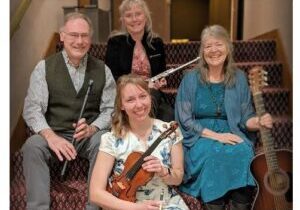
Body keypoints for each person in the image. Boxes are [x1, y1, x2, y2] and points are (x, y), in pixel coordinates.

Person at [21, 12, 116, 210]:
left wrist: (93, 128)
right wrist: (50, 136)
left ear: (90, 39)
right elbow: (32, 109)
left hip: (87, 136)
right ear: (62, 36)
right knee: (32, 146)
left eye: (84, 36)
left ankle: (94, 205)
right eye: (73, 35)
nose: (79, 41)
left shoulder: (103, 70)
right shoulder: (44, 68)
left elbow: (110, 110)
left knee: (105, 140)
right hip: (53, 132)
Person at [175, 25, 273, 210]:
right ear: (202, 51)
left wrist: (258, 122)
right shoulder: (190, 79)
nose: (213, 50)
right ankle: (215, 205)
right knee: (213, 154)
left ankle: (240, 204)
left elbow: (246, 118)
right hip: (199, 135)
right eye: (208, 46)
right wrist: (218, 137)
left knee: (244, 151)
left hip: (233, 130)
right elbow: (185, 119)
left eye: (218, 44)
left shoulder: (239, 77)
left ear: (228, 48)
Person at [89, 74, 189, 210]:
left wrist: (163, 171)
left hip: (163, 202)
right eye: (130, 100)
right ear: (121, 105)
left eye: (143, 96)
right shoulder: (111, 139)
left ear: (150, 97)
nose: (139, 104)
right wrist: (134, 207)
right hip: (126, 204)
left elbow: (177, 178)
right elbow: (95, 194)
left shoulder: (170, 131)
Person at [105, 0, 174, 122]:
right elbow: (112, 77)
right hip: (126, 96)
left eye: (138, 14)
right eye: (128, 15)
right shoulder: (115, 43)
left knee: (169, 115)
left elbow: (161, 73)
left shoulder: (156, 43)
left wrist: (160, 81)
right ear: (123, 20)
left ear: (146, 17)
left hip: (153, 95)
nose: (134, 19)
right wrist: (141, 86)